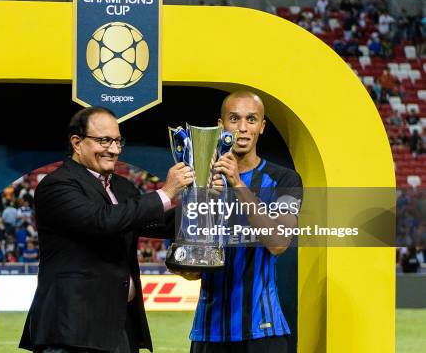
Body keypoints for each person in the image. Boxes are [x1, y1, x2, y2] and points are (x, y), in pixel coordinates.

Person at [19, 106, 193, 353]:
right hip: (72, 331)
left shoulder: (123, 188)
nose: (114, 149)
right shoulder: (57, 185)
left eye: (117, 140)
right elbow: (101, 221)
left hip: (118, 328)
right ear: (77, 143)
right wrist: (165, 193)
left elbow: (158, 222)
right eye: (104, 140)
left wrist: (202, 203)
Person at [186, 91, 303, 353]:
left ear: (262, 127)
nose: (242, 128)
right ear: (220, 125)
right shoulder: (198, 179)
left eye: (251, 120)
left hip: (263, 330)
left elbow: (279, 243)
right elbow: (187, 268)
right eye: (234, 118)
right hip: (208, 331)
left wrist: (237, 184)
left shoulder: (284, 180)